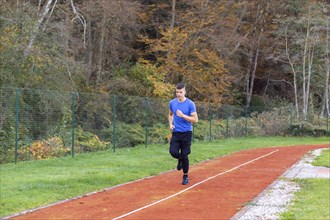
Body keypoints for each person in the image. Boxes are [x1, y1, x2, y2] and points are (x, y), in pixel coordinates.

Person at [168, 83, 198, 185]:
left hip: (186, 133)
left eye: (180, 92)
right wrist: (171, 124)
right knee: (173, 152)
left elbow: (195, 120)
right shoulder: (172, 103)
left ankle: (185, 176)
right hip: (176, 132)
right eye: (177, 92)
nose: (178, 94)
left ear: (184, 92)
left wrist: (183, 115)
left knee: (185, 154)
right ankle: (179, 159)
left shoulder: (190, 104)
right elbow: (170, 114)